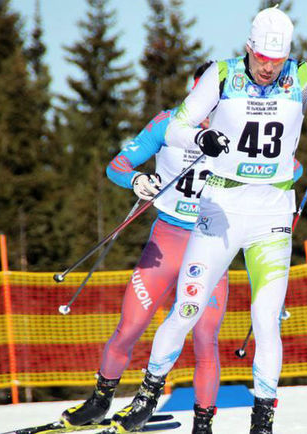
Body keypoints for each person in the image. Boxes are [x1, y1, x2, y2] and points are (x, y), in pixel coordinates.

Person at [109, 6, 307, 434]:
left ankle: (262, 422)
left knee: (266, 320)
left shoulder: (304, 77)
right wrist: (200, 136)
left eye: (277, 61)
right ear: (248, 48)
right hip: (221, 211)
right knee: (188, 308)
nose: (268, 69)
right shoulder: (223, 75)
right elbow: (176, 127)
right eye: (262, 59)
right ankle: (147, 396)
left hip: (271, 215)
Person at [61, 62, 232, 434]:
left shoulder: (237, 129)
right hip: (166, 241)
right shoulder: (168, 124)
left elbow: (291, 168)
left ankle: (203, 424)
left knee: (205, 340)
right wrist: (137, 179)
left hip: (211, 245)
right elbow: (117, 165)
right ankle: (100, 401)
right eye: (199, 93)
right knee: (129, 327)